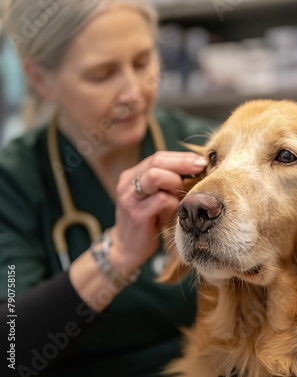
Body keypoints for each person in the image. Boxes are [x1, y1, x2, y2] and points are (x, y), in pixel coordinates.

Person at [0, 1, 217, 376]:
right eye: (102, 74)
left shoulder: (201, 147)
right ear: (39, 79)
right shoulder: (16, 182)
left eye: (142, 62)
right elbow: (12, 347)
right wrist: (117, 255)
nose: (133, 92)